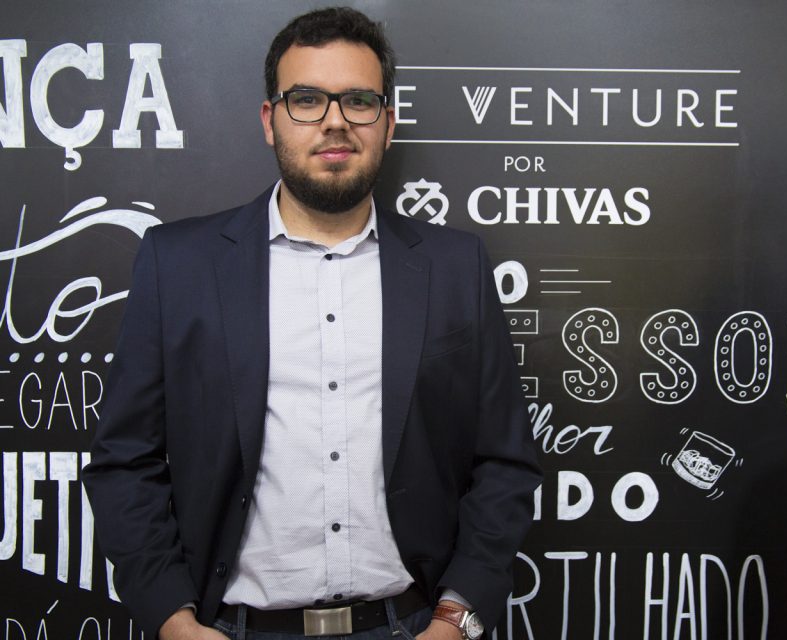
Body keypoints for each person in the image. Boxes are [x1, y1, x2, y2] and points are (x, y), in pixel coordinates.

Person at [81, 7, 541, 640]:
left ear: (387, 123)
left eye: (359, 100)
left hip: (410, 625)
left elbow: (505, 461)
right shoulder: (177, 263)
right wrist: (171, 618)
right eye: (306, 100)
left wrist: (457, 618)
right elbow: (124, 460)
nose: (334, 120)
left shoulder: (455, 265)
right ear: (269, 120)